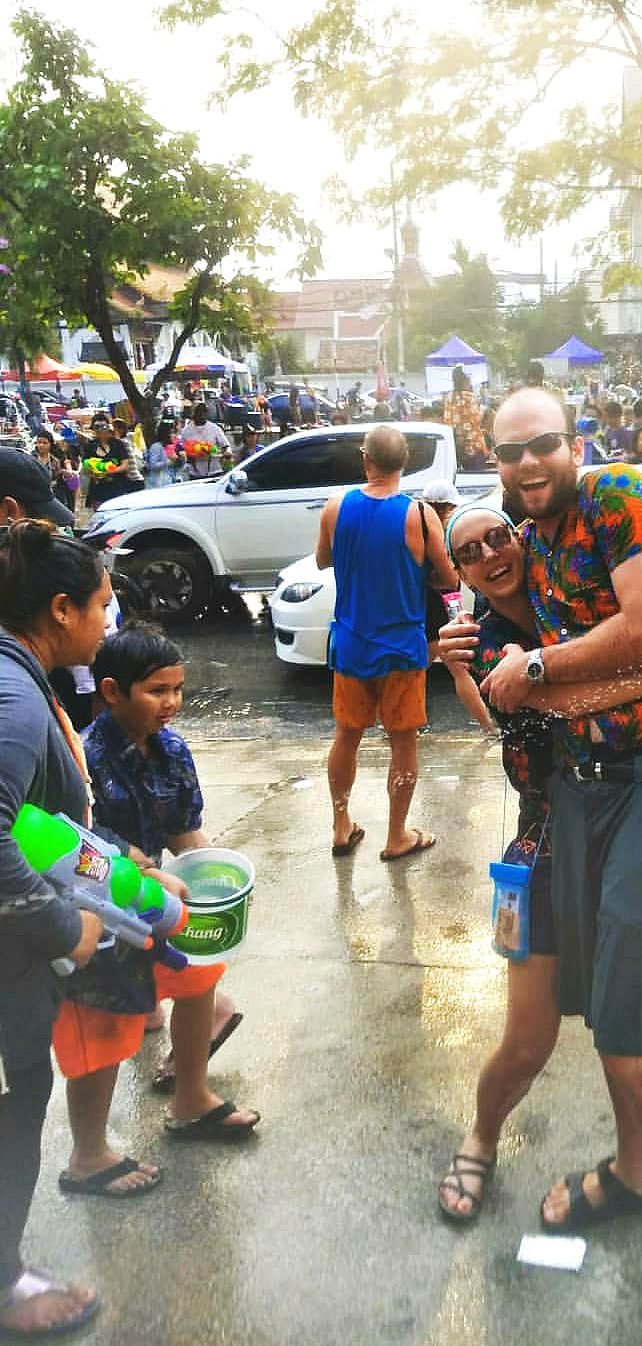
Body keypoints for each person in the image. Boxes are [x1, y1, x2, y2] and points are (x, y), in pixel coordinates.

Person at [479, 389, 642, 1346]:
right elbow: (635, 658)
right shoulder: (534, 542)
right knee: (613, 1015)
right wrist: (519, 667)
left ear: (574, 443)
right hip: (592, 794)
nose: (529, 464)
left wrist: (543, 668)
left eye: (543, 445)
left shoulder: (621, 494)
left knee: (639, 1037)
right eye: (510, 453)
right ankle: (637, 1172)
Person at [435, 505, 642, 1230]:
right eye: (470, 552)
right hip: (548, 843)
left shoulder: (582, 585)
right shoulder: (487, 639)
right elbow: (538, 715)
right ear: (459, 573)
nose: (492, 553)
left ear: (522, 537)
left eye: (500, 536)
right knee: (529, 1040)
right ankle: (482, 1137)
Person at [74, 627, 255, 1143]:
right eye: (157, 691)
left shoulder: (171, 750)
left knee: (200, 975)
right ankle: (90, 1150)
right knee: (108, 1022)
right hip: (101, 902)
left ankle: (192, 1098)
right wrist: (142, 870)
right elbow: (81, 841)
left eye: (177, 689)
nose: (172, 702)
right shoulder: (83, 758)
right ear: (112, 692)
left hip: (157, 895)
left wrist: (218, 874)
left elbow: (180, 827)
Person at [0, 523, 106, 1339]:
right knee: (15, 1106)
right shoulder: (14, 698)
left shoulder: (22, 677)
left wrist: (125, 873)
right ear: (60, 608)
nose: (108, 620)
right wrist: (61, 923)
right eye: (100, 605)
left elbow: (45, 832)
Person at [316, 425, 457, 860]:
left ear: (365, 459)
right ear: (406, 461)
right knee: (402, 742)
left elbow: (323, 559)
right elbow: (449, 578)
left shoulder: (337, 506)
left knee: (347, 735)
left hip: (353, 645)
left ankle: (342, 823)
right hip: (402, 650)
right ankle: (396, 835)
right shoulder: (419, 515)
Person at [419, 480, 497, 736]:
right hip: (442, 606)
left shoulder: (417, 529)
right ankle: (487, 726)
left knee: (420, 668)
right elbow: (450, 578)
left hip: (426, 606)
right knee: (457, 670)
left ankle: (406, 722)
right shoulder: (442, 534)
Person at [83, 413, 133, 508]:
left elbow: (125, 464)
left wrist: (111, 470)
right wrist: (93, 471)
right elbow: (85, 463)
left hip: (118, 486)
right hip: (98, 488)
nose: (100, 430)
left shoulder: (118, 444)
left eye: (103, 426)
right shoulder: (89, 446)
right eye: (96, 427)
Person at [444, 365, 487, 469]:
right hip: (473, 447)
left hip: (457, 448)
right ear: (465, 380)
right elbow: (477, 420)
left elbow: (447, 420)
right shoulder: (470, 397)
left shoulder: (449, 397)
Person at [179, 404, 230, 479]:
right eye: (199, 411)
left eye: (204, 411)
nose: (201, 414)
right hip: (194, 474)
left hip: (215, 472)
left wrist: (226, 454)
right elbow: (181, 450)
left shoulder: (215, 428)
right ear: (194, 413)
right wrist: (191, 455)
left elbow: (226, 446)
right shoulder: (186, 431)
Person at [144, 420, 179, 490]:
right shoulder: (156, 446)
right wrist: (168, 461)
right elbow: (153, 465)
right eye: (171, 433)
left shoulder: (168, 447)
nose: (174, 435)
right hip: (157, 485)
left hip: (168, 482)